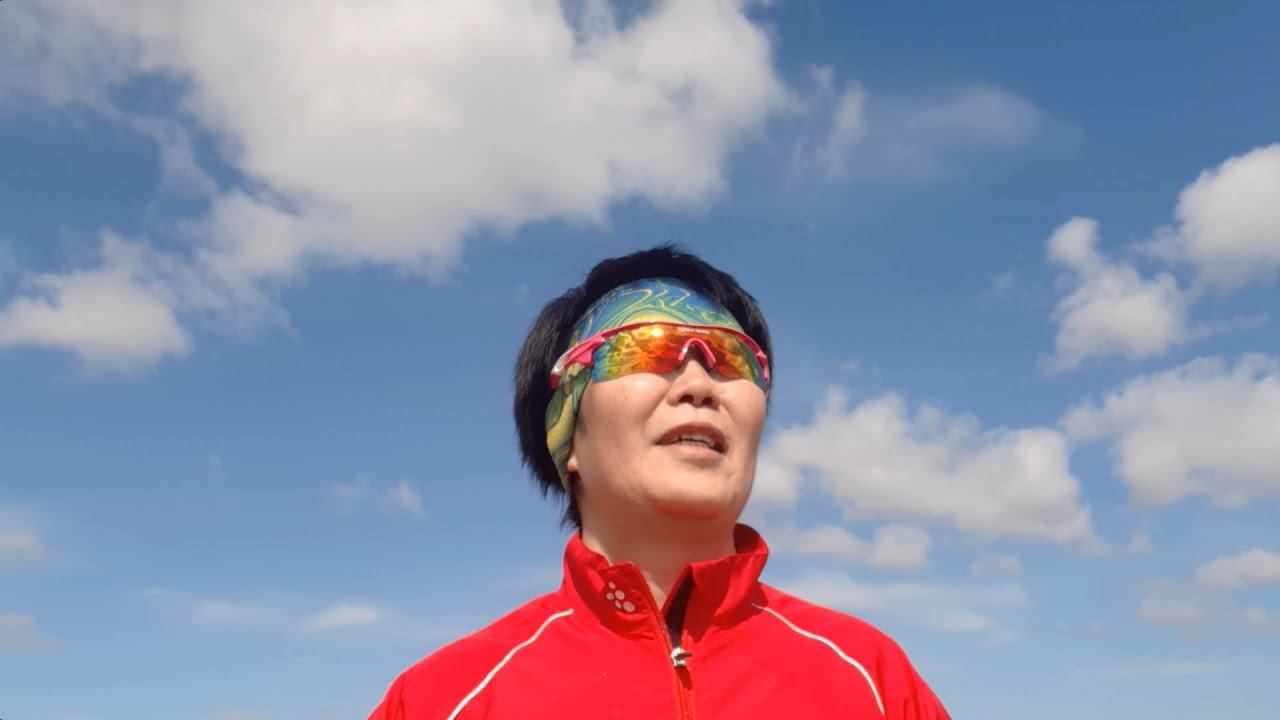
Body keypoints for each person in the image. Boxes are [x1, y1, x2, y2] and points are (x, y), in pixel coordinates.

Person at [368, 246, 950, 719]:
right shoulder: (441, 700)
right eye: (646, 349)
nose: (699, 385)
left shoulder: (875, 680)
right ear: (566, 431)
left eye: (733, 360)